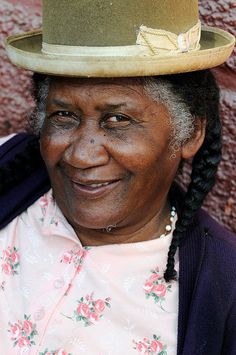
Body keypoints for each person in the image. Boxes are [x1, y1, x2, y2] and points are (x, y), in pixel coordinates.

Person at [1, 1, 235, 354]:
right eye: (63, 115)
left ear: (189, 135)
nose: (82, 154)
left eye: (118, 120)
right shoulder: (8, 170)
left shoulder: (221, 292)